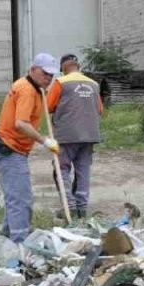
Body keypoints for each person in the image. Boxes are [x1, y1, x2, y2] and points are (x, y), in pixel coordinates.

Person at [0, 53, 61, 243]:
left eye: (51, 75)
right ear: (33, 70)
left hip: (13, 149)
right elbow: (21, 123)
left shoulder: (34, 88)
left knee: (14, 197)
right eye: (45, 74)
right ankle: (20, 243)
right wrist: (45, 141)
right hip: (10, 150)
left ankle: (5, 237)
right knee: (21, 199)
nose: (49, 78)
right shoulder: (27, 89)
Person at [47, 53, 104, 219]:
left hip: (66, 135)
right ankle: (82, 208)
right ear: (78, 66)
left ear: (64, 68)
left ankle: (69, 208)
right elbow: (100, 109)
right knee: (83, 171)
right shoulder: (93, 84)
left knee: (61, 170)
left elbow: (48, 106)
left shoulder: (60, 82)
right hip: (90, 135)